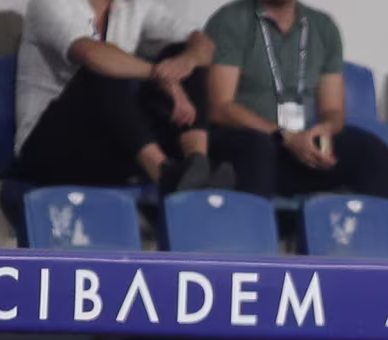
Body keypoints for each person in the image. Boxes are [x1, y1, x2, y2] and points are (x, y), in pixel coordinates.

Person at [13, 0, 233, 194]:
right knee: (104, 67)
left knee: (182, 54)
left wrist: (186, 62)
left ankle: (197, 167)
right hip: (47, 148)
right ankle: (165, 175)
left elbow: (203, 43)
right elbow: (92, 54)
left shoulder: (133, 6)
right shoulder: (50, 3)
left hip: (106, 142)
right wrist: (163, 77)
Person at [203, 0, 388, 200]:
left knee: (373, 152)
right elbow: (220, 106)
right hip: (248, 141)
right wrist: (285, 136)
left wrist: (323, 131)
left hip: (299, 143)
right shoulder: (231, 20)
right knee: (259, 148)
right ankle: (254, 220)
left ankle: (373, 221)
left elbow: (333, 109)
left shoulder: (323, 27)